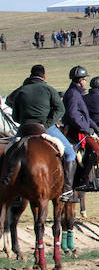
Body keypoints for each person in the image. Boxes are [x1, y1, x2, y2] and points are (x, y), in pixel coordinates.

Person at [3, 65, 77, 202]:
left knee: (8, 152)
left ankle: (7, 185)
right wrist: (47, 123)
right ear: (44, 77)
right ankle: (67, 190)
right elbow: (60, 110)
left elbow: (8, 101)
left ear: (31, 76)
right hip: (45, 128)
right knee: (71, 153)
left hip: (24, 128)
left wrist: (20, 117)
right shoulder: (49, 89)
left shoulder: (21, 90)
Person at [61, 65, 99, 192]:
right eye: (84, 79)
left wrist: (95, 126)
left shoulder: (76, 92)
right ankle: (83, 180)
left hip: (81, 127)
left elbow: (84, 115)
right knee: (95, 148)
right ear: (80, 80)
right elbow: (73, 114)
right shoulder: (74, 94)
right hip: (76, 130)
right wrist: (86, 128)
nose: (85, 82)